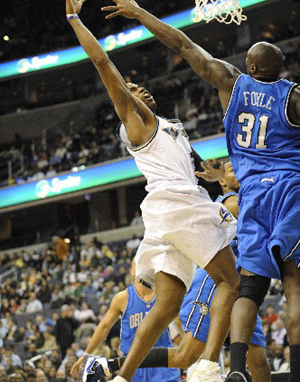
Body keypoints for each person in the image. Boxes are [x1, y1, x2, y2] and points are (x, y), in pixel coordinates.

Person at [101, 0, 300, 382]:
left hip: (252, 196)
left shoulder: (228, 84)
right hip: (281, 191)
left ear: (250, 65)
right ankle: (213, 365)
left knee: (247, 291)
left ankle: (234, 367)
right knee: (288, 285)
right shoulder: (291, 96)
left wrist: (141, 12)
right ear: (280, 70)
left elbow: (183, 44)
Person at [63, 0, 239, 382]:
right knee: (230, 280)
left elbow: (190, 164)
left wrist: (214, 177)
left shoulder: (170, 125)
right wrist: (74, 18)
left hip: (168, 214)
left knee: (168, 305)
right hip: (175, 203)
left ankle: (122, 376)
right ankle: (210, 364)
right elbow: (103, 63)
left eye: (140, 88)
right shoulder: (138, 124)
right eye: (132, 91)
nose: (138, 89)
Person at [87, 162, 271, 382]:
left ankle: (109, 364)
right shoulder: (229, 203)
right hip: (214, 282)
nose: (241, 173)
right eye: (234, 171)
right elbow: (261, 200)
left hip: (242, 287)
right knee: (186, 356)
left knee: (258, 360)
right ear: (222, 181)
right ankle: (115, 365)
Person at [70, 260, 180, 382]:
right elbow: (104, 327)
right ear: (132, 271)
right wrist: (86, 354)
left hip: (162, 364)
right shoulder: (123, 298)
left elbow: (180, 325)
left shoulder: (165, 295)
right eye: (141, 265)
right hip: (133, 367)